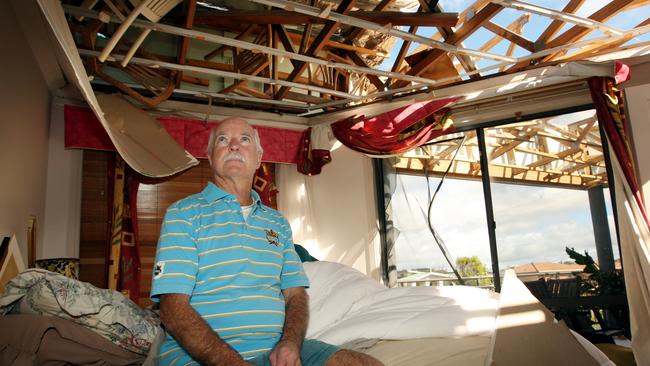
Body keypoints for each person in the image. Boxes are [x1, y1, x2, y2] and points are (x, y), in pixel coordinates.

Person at [151, 117, 383, 366]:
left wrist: (290, 344)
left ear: (259, 158)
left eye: (244, 139)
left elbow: (296, 296)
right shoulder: (184, 214)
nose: (233, 146)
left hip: (274, 353)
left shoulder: (278, 224)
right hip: (199, 358)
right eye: (222, 139)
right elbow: (173, 310)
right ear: (210, 156)